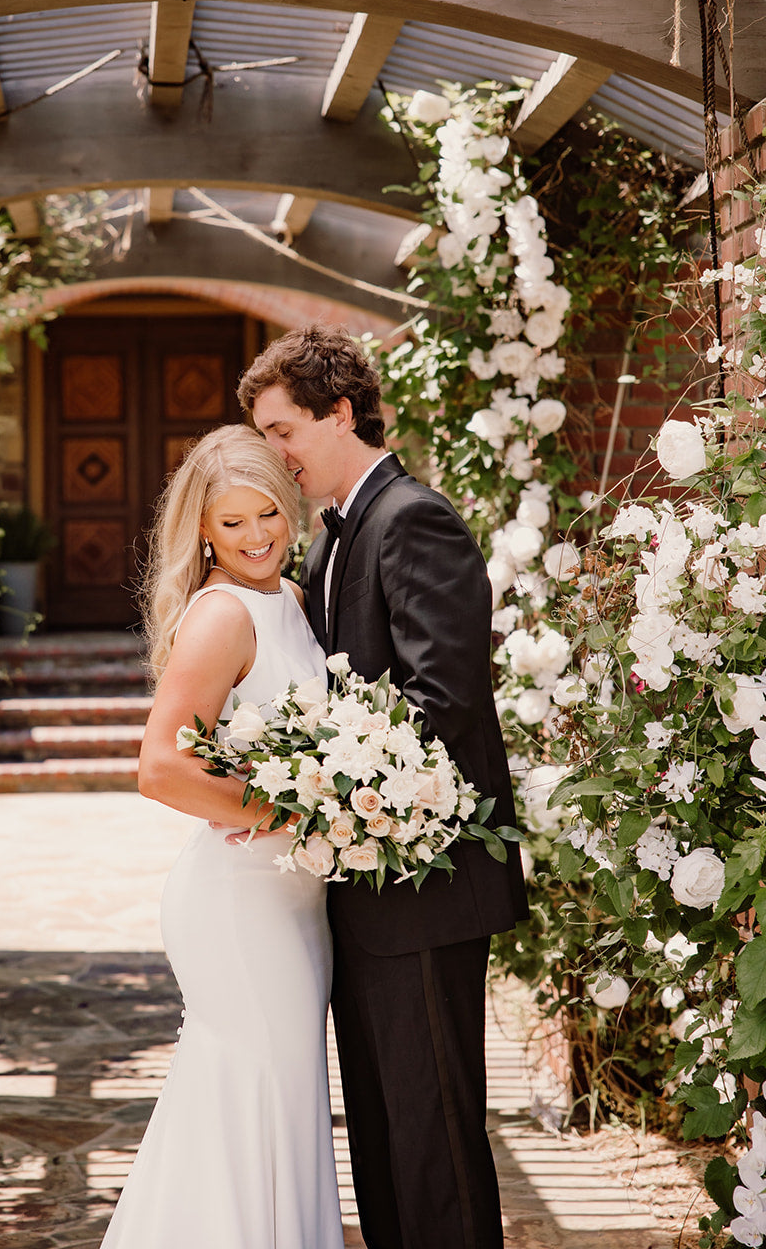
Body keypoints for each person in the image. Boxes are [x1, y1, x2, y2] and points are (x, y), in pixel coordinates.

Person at [239, 324, 529, 1249]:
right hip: (364, 887)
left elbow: (442, 700)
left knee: (433, 1139)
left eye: (284, 430)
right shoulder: (331, 540)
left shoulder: (412, 520)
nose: (274, 452)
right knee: (381, 1136)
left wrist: (321, 781)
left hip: (428, 888)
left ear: (339, 412)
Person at [102, 424, 344, 1249]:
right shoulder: (222, 614)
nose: (255, 537)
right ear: (201, 530)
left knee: (277, 1101)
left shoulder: (292, 603)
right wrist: (300, 814)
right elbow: (159, 768)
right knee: (253, 1099)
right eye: (232, 522)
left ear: (289, 506)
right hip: (240, 906)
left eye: (267, 514)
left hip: (295, 900)